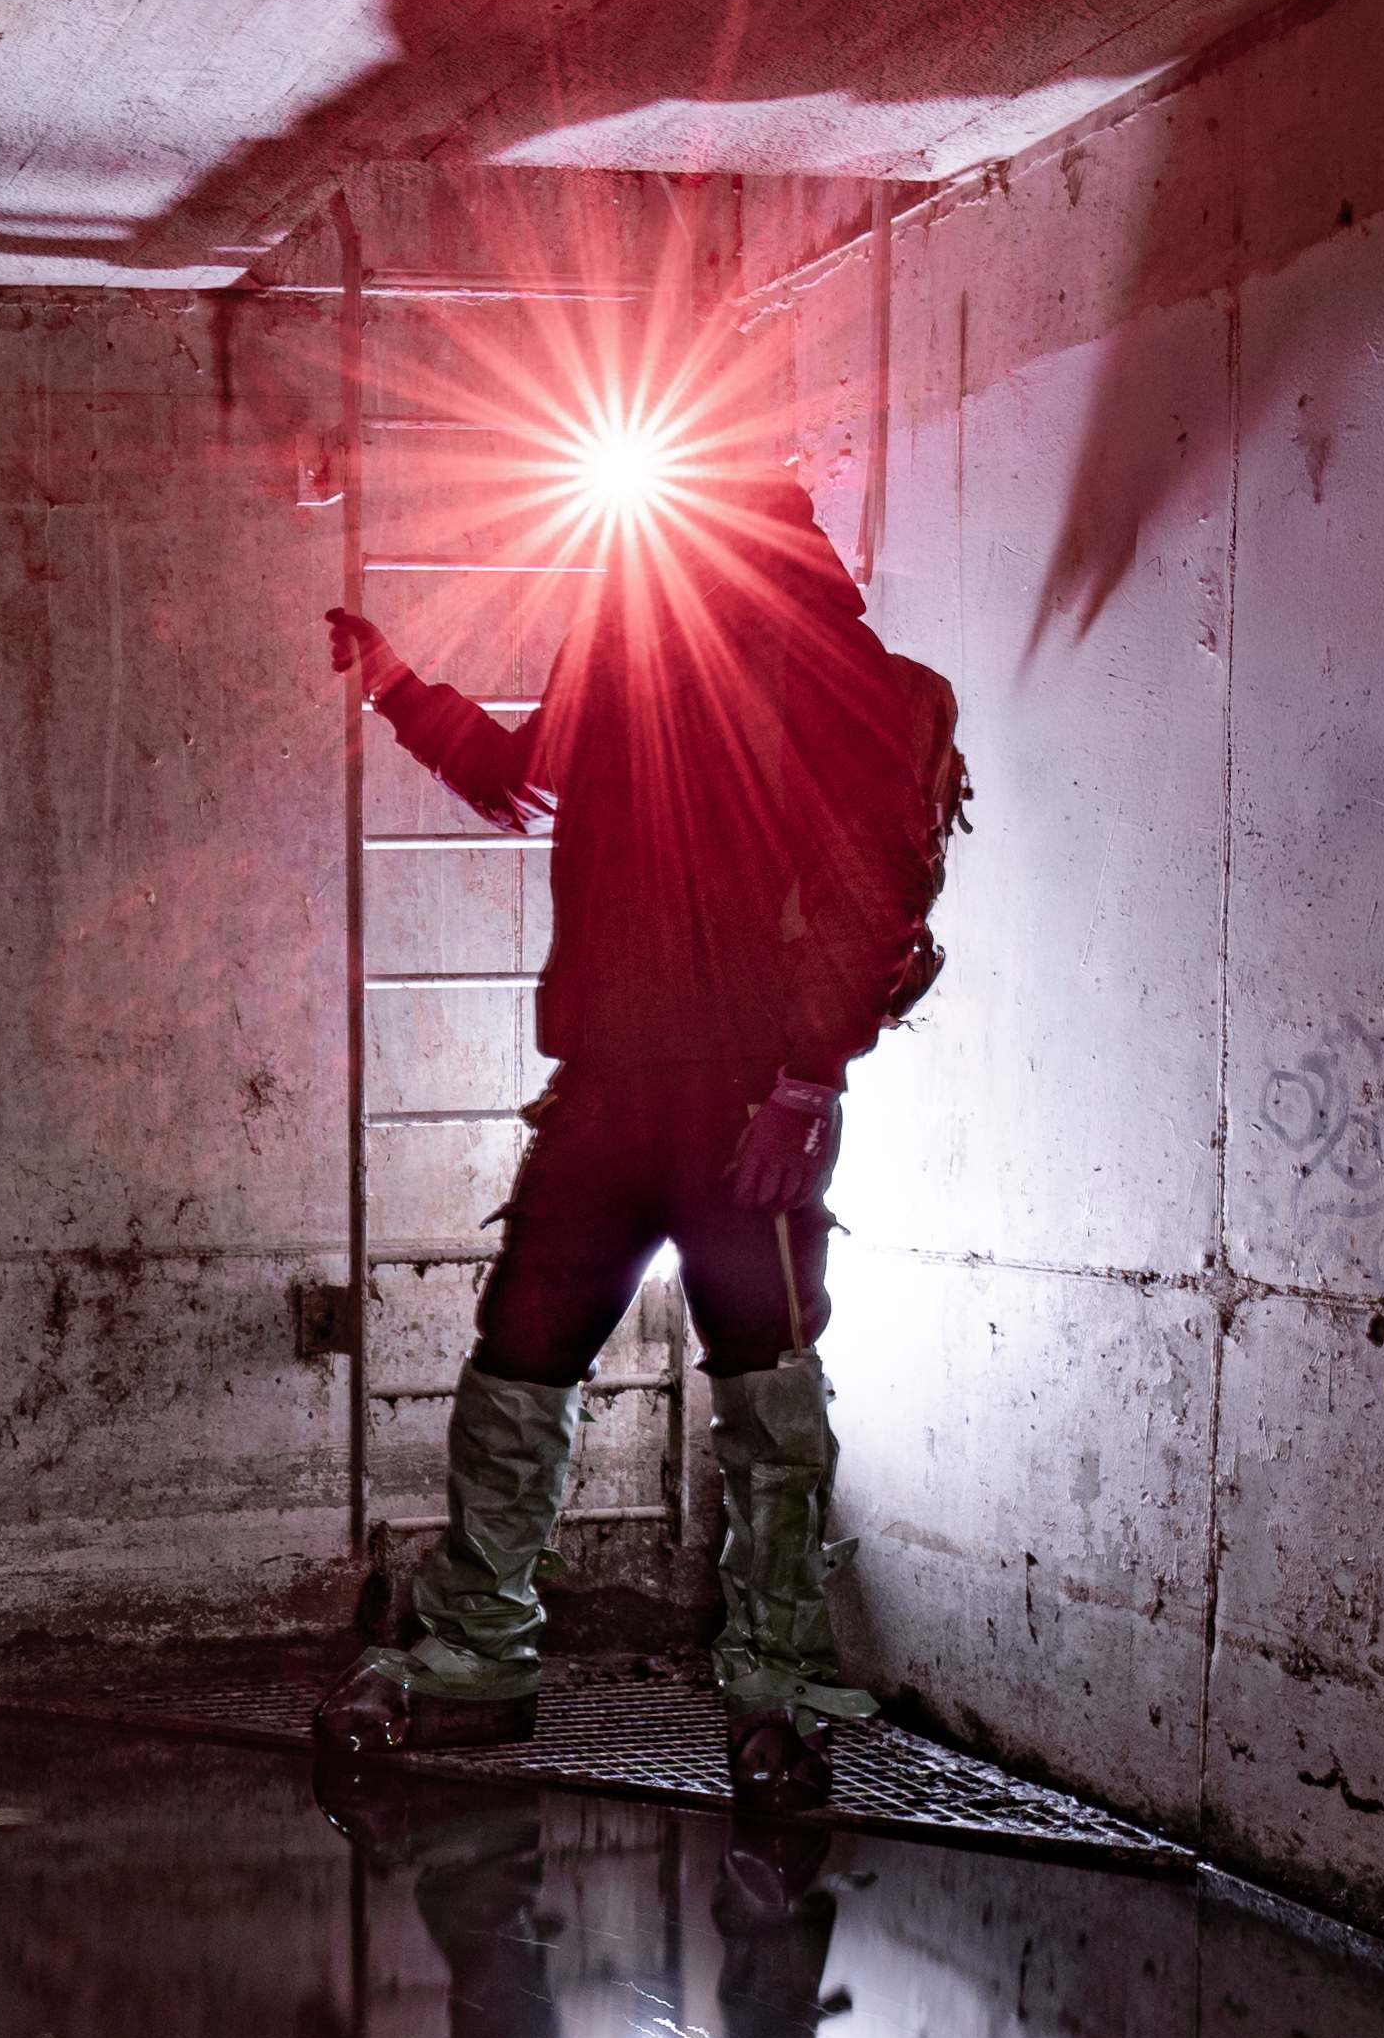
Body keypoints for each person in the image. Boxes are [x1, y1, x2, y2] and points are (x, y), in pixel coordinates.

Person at [315, 472, 962, 1752]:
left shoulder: (821, 672)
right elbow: (522, 776)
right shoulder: (622, 648)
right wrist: (395, 685)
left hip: (740, 1106)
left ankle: (774, 1675)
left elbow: (871, 880)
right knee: (520, 1354)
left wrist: (801, 1084)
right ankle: (475, 1654)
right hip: (610, 1086)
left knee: (763, 1380)